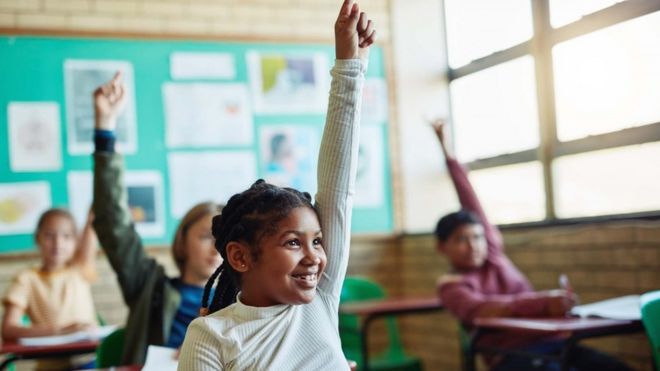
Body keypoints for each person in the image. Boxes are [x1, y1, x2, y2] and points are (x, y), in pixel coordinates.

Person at [177, 1, 375, 369]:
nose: (315, 256)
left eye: (316, 240)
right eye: (293, 243)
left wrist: (351, 67)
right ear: (240, 256)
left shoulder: (320, 299)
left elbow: (338, 189)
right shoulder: (211, 335)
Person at [431, 120, 631, 371]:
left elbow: (470, 199)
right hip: (512, 356)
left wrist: (448, 152)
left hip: (554, 343)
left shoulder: (492, 255)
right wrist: (544, 303)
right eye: (461, 239)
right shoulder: (452, 287)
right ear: (442, 247)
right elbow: (485, 310)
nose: (473, 246)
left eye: (477, 237)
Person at [92, 73, 223, 364]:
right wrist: (105, 128)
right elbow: (112, 221)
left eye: (224, 241)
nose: (216, 249)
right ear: (182, 241)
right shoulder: (150, 288)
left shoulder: (242, 300)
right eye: (205, 237)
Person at [1, 208, 98, 370]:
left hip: (90, 361)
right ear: (37, 238)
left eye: (66, 236)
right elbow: (8, 330)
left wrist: (92, 217)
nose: (58, 243)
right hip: (50, 365)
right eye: (49, 235)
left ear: (76, 241)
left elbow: (91, 225)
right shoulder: (26, 279)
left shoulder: (80, 269)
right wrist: (61, 330)